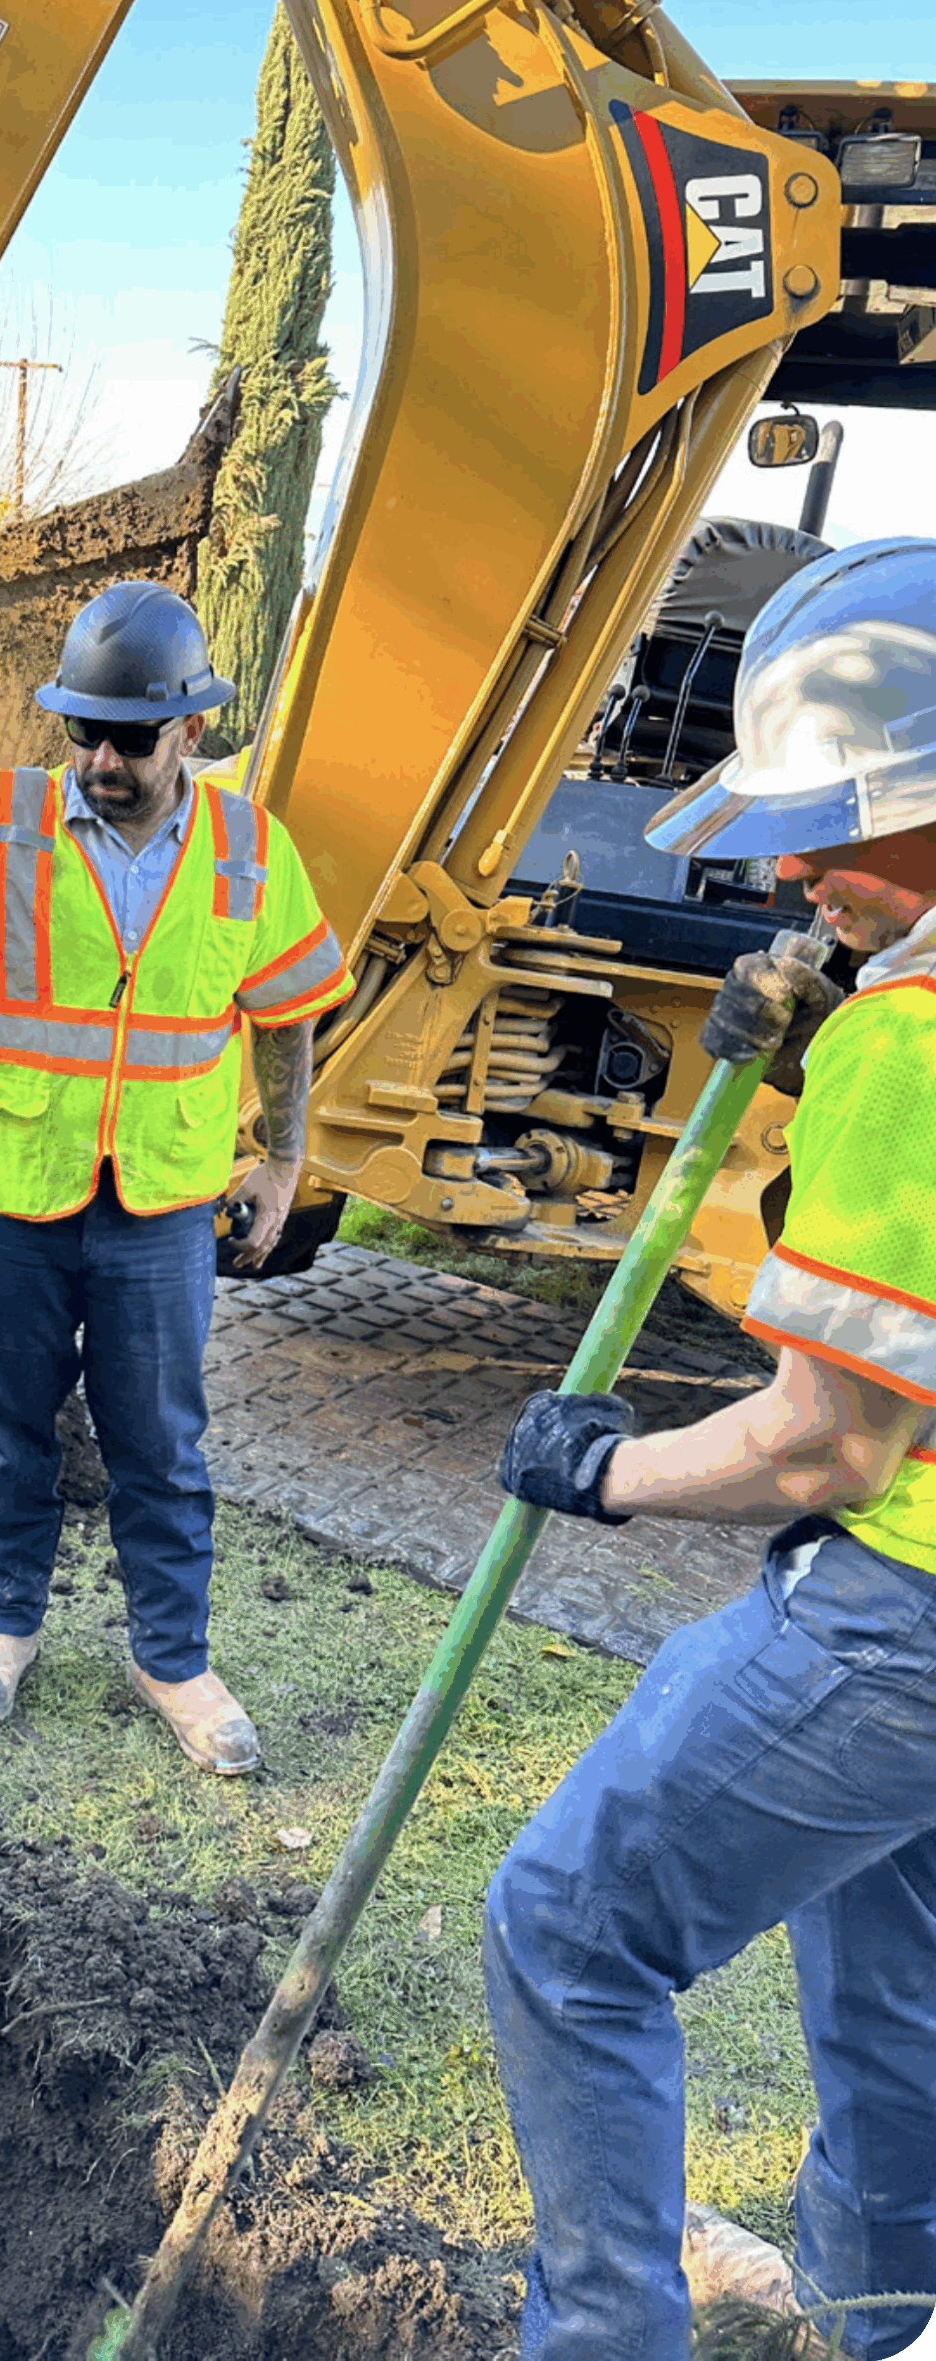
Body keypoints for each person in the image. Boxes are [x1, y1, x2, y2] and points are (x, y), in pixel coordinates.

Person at [482, 537, 936, 2360]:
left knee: (565, 1928)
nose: (788, 864)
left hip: (894, 1613)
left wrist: (604, 1471)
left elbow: (825, 1442)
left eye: (829, 820)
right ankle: (884, 2311)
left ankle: (600, 2338)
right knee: (889, 1975)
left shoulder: (907, 1048)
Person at [0, 579, 352, 1771]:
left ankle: (171, 1657)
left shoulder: (253, 848)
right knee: (6, 1421)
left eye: (129, 737)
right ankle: (5, 1621)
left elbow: (288, 1009)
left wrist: (286, 1156)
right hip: (5, 1189)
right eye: (80, 729)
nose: (99, 757)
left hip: (159, 1203)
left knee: (160, 1442)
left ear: (191, 729)